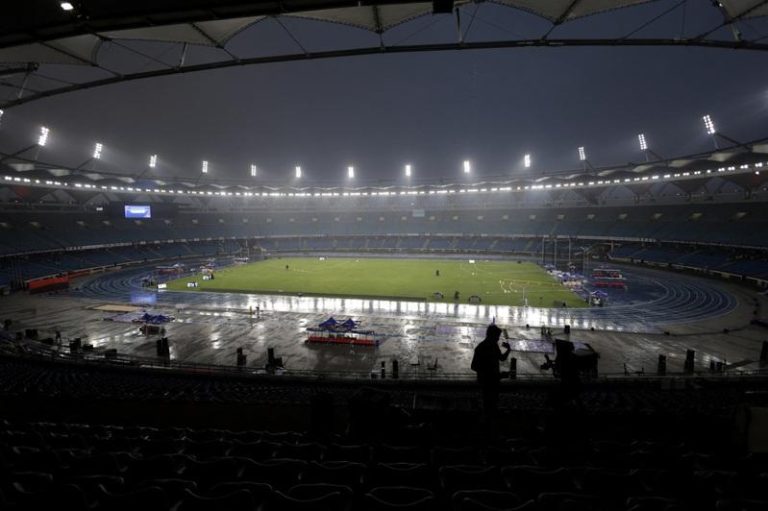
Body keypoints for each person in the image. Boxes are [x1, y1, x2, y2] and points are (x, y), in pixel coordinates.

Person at [471, 324, 511, 418]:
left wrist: (508, 350)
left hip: (490, 381)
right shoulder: (485, 347)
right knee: (490, 407)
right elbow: (474, 366)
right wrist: (494, 375)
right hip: (489, 383)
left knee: (490, 407)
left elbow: (501, 358)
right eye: (497, 337)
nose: (498, 339)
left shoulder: (486, 346)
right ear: (492, 336)